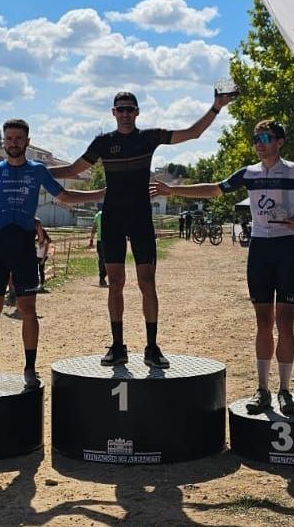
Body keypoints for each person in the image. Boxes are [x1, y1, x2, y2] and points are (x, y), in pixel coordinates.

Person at [150, 119, 294, 413]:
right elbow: (215, 189)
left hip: (287, 248)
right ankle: (262, 389)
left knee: (285, 323)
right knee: (263, 322)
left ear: (280, 142)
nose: (259, 144)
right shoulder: (249, 173)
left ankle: (284, 389)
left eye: (265, 138)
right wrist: (174, 190)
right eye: (256, 139)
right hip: (259, 249)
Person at [51, 90, 232, 369]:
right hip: (112, 218)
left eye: (130, 109)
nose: (125, 114)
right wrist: (32, 169)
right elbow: (73, 170)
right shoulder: (102, 142)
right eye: (120, 109)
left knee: (147, 283)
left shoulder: (149, 137)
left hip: (140, 218)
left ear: (137, 112)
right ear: (113, 112)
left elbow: (192, 134)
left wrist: (216, 107)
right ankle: (117, 346)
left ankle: (152, 347)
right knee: (115, 284)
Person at [0, 118, 104, 389]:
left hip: (24, 245)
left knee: (28, 310)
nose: (13, 143)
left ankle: (30, 369)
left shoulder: (38, 171)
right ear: (4, 142)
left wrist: (102, 193)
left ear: (27, 141)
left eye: (18, 138)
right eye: (9, 138)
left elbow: (64, 196)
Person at [88, 205, 107, 287]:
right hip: (109, 241)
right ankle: (103, 277)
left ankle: (102, 277)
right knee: (107, 259)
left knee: (102, 259)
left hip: (100, 240)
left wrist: (91, 240)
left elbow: (94, 229)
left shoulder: (98, 215)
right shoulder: (113, 212)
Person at [34, 217, 52, 291]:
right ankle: (36, 284)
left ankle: (41, 285)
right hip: (36, 256)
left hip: (42, 257)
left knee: (41, 271)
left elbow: (46, 250)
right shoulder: (36, 240)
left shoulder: (45, 241)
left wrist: (43, 259)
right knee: (35, 271)